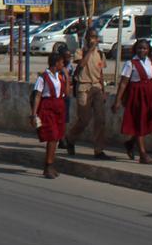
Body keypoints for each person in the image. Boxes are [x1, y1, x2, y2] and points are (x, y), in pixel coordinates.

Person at [113, 38, 152, 165]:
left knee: (146, 123)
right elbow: (123, 83)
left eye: (144, 48)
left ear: (148, 50)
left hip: (149, 96)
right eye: (139, 48)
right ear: (135, 49)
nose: (142, 50)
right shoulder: (130, 63)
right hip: (137, 96)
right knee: (139, 123)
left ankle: (130, 143)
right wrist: (117, 101)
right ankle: (143, 154)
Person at [64, 29, 110, 159]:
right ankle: (71, 138)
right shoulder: (80, 52)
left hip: (96, 86)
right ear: (86, 39)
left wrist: (103, 90)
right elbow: (82, 64)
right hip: (83, 87)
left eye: (94, 37)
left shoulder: (100, 54)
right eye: (90, 37)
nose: (92, 39)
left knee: (100, 119)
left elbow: (100, 72)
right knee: (84, 119)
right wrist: (90, 50)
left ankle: (98, 149)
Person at [31, 50, 69, 179]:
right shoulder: (43, 78)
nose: (63, 64)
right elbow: (37, 95)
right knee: (52, 137)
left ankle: (51, 164)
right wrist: (34, 114)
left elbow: (66, 93)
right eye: (61, 62)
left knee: (57, 137)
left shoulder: (60, 76)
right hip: (48, 109)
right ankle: (48, 165)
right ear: (56, 63)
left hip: (59, 109)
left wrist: (67, 77)